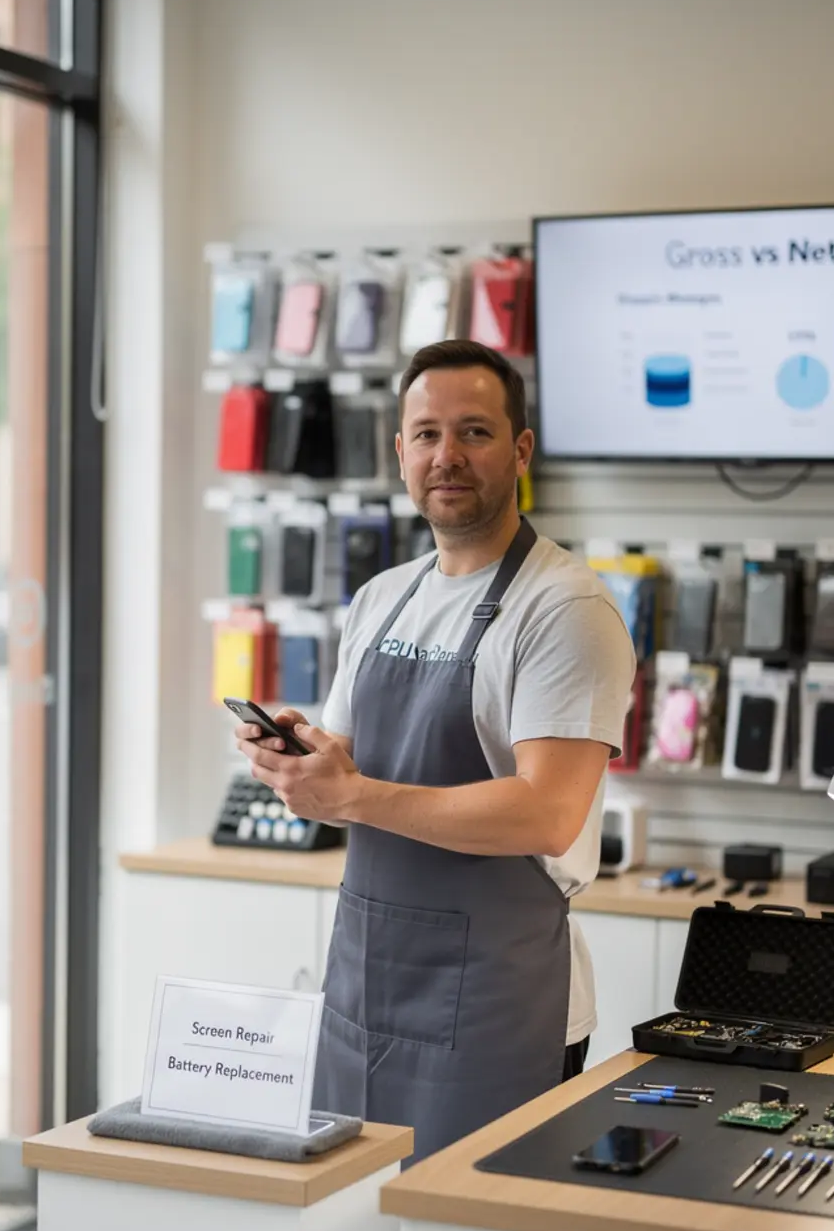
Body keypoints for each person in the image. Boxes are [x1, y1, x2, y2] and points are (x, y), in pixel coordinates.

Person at [234, 340, 635, 1161]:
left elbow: (545, 813)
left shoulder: (565, 608)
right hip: (365, 989)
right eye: (426, 434)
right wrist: (299, 765)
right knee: (349, 1223)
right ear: (399, 452)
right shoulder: (382, 598)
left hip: (499, 1006)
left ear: (520, 449)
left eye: (474, 432)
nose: (446, 456)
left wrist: (350, 794)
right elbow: (348, 774)